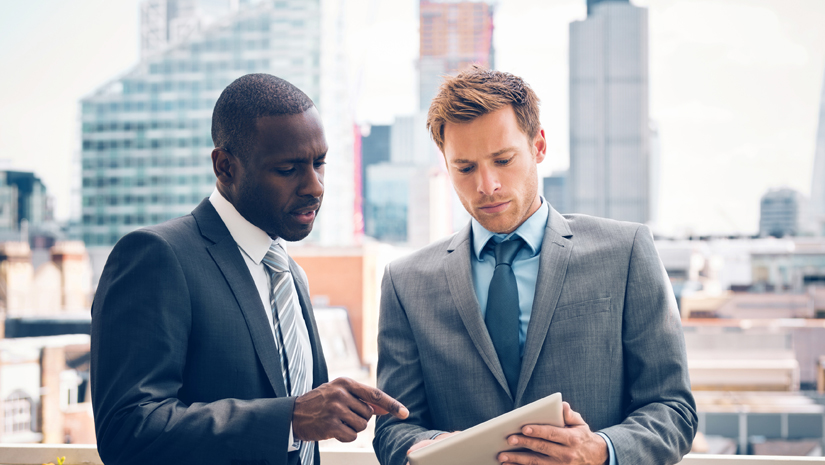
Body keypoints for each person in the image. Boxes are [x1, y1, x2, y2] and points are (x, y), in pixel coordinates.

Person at [373, 67, 697, 465]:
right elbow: (393, 428)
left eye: (503, 159)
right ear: (445, 164)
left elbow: (673, 409)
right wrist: (442, 448)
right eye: (465, 167)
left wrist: (600, 450)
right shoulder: (406, 283)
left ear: (538, 146)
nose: (486, 185)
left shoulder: (625, 252)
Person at [91, 73, 407, 465]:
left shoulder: (291, 275)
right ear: (225, 167)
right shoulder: (156, 256)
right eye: (289, 169)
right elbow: (126, 430)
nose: (315, 186)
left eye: (319, 163)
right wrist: (290, 418)